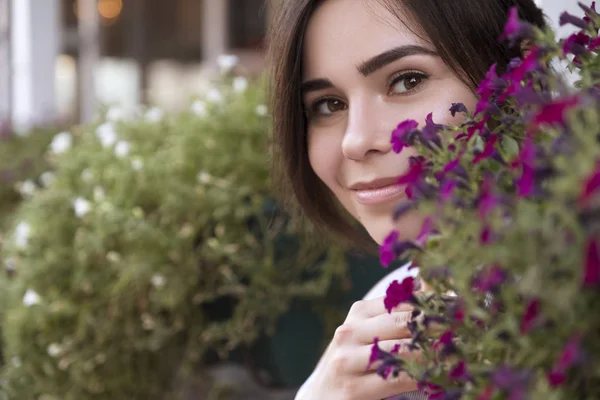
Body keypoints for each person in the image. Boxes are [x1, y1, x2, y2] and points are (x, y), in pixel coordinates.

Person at [266, 0, 546, 398]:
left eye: (407, 81)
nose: (356, 140)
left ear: (521, 76)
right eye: (329, 105)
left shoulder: (571, 298)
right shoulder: (384, 312)